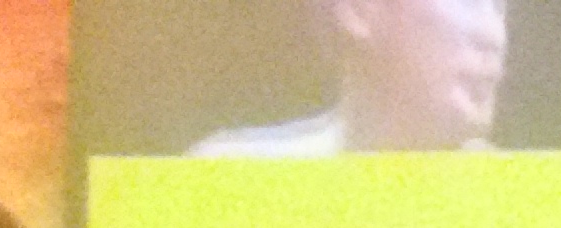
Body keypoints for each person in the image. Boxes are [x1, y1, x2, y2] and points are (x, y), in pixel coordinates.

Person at [188, 0, 508, 156]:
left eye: (498, 6)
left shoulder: (520, 211)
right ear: (358, 10)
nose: (494, 36)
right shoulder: (228, 186)